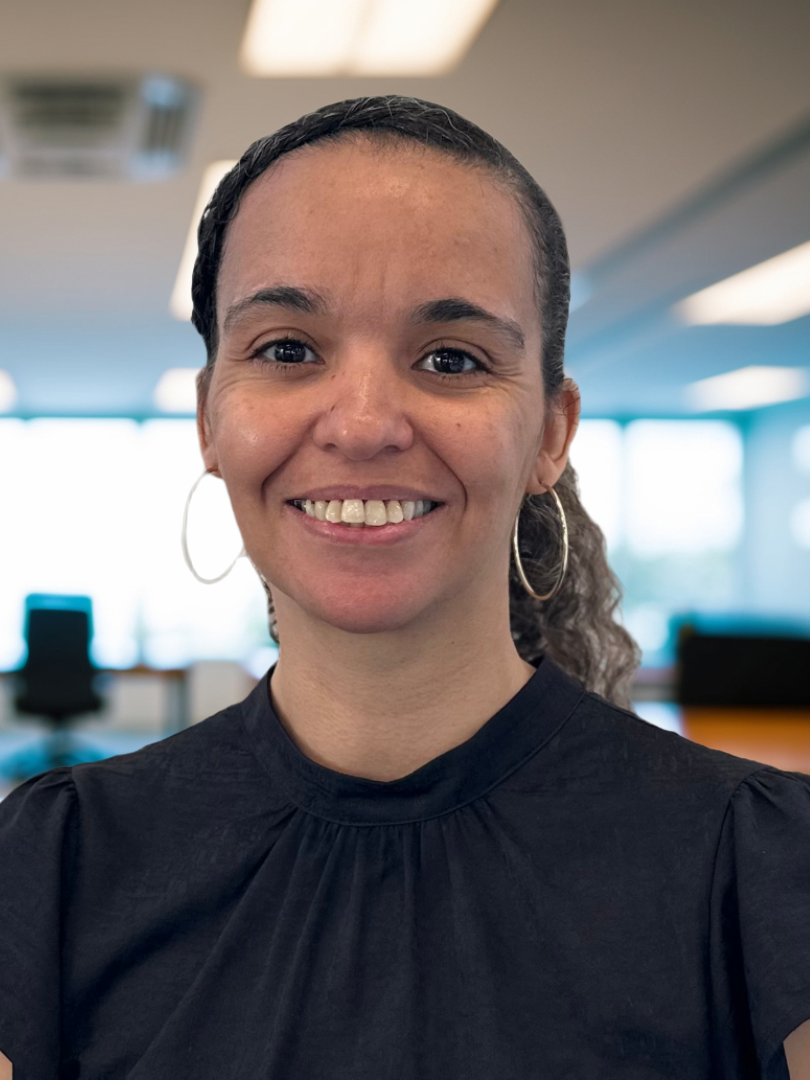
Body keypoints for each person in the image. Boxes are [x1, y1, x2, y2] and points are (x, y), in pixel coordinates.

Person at [1, 94, 809, 1080]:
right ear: (211, 417)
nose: (365, 423)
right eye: (287, 349)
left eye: (451, 357)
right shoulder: (52, 868)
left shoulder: (757, 868)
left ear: (550, 433)